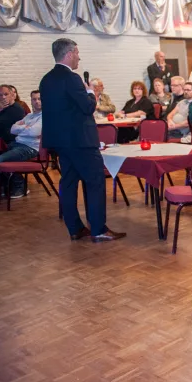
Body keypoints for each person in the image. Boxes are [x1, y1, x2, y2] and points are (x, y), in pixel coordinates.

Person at [39, 38, 125, 242]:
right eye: (77, 53)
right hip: (80, 141)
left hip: (60, 141)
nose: (79, 57)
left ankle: (75, 228)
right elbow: (87, 107)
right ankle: (98, 228)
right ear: (69, 54)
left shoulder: (46, 79)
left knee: (68, 182)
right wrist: (90, 93)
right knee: (95, 181)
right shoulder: (72, 78)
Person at [0, 90, 43, 198]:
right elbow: (13, 129)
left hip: (29, 148)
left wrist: (21, 127)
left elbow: (34, 132)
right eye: (34, 99)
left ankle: (20, 186)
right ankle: (3, 184)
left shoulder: (45, 116)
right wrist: (24, 128)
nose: (37, 102)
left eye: (39, 99)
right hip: (16, 144)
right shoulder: (29, 116)